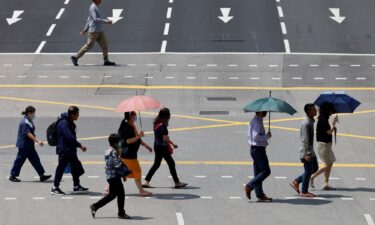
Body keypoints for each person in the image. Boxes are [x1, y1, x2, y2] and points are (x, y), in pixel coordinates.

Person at [143, 108, 187, 189]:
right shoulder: (163, 126)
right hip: (162, 147)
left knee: (156, 164)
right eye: (169, 114)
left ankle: (146, 181)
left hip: (156, 145)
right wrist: (173, 143)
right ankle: (177, 182)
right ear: (165, 116)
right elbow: (165, 138)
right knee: (171, 163)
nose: (170, 115)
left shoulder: (156, 123)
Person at [90, 134, 131, 219]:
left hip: (110, 176)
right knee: (121, 194)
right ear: (116, 143)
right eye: (119, 142)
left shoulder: (108, 150)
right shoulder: (114, 152)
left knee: (112, 195)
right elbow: (118, 165)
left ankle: (95, 206)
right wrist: (126, 172)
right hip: (114, 176)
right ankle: (121, 213)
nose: (120, 143)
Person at [51, 106, 88, 195]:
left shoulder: (69, 121)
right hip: (64, 150)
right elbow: (69, 137)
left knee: (75, 166)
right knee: (61, 167)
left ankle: (76, 186)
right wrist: (80, 146)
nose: (78, 116)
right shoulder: (64, 123)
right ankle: (55, 187)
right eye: (77, 114)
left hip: (70, 149)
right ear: (72, 114)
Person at [9, 106, 51, 182]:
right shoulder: (25, 122)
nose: (34, 115)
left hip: (29, 145)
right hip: (24, 145)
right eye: (33, 113)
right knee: (19, 161)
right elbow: (28, 133)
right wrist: (37, 141)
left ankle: (42, 175)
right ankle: (13, 176)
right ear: (29, 113)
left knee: (35, 160)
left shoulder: (29, 120)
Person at [118, 111, 153, 197]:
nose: (135, 117)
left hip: (129, 155)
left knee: (123, 172)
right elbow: (128, 141)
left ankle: (109, 188)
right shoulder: (127, 127)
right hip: (129, 155)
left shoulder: (132, 125)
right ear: (130, 117)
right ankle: (141, 191)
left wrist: (146, 146)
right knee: (137, 171)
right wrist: (139, 136)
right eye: (134, 115)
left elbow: (137, 139)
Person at [71, 0, 115, 66]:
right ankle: (75, 58)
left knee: (104, 46)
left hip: (99, 31)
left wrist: (84, 30)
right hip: (93, 32)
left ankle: (106, 61)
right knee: (88, 46)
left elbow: (89, 19)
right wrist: (106, 21)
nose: (101, 0)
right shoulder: (92, 8)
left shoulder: (95, 7)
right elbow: (95, 19)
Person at [289, 104, 319, 197]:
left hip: (310, 150)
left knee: (314, 168)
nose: (316, 111)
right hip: (306, 151)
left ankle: (296, 181)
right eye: (314, 110)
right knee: (308, 170)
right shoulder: (306, 123)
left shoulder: (311, 121)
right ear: (309, 112)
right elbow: (305, 140)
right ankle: (304, 191)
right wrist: (306, 154)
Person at [244, 111, 273, 202]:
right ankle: (249, 186)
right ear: (258, 112)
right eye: (264, 111)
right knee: (266, 171)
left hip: (256, 149)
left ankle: (259, 193)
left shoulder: (257, 120)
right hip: (258, 150)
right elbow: (256, 137)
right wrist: (266, 136)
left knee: (258, 173)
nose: (266, 112)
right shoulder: (257, 122)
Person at [310, 102, 338, 190]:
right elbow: (329, 132)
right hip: (324, 146)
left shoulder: (323, 119)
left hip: (326, 145)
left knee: (330, 162)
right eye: (331, 110)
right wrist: (334, 124)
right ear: (327, 110)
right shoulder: (323, 120)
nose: (332, 112)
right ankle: (313, 176)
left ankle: (326, 183)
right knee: (328, 164)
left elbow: (328, 131)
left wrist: (333, 127)